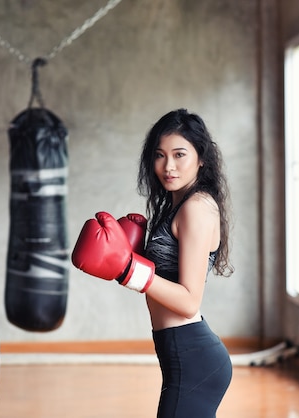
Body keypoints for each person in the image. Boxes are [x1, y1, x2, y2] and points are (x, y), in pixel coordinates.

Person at [71, 108, 234, 417]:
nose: (168, 166)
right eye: (160, 155)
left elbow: (188, 301)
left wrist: (128, 268)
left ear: (202, 158)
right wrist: (133, 256)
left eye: (179, 154)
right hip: (181, 353)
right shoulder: (175, 204)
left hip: (193, 358)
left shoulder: (196, 208)